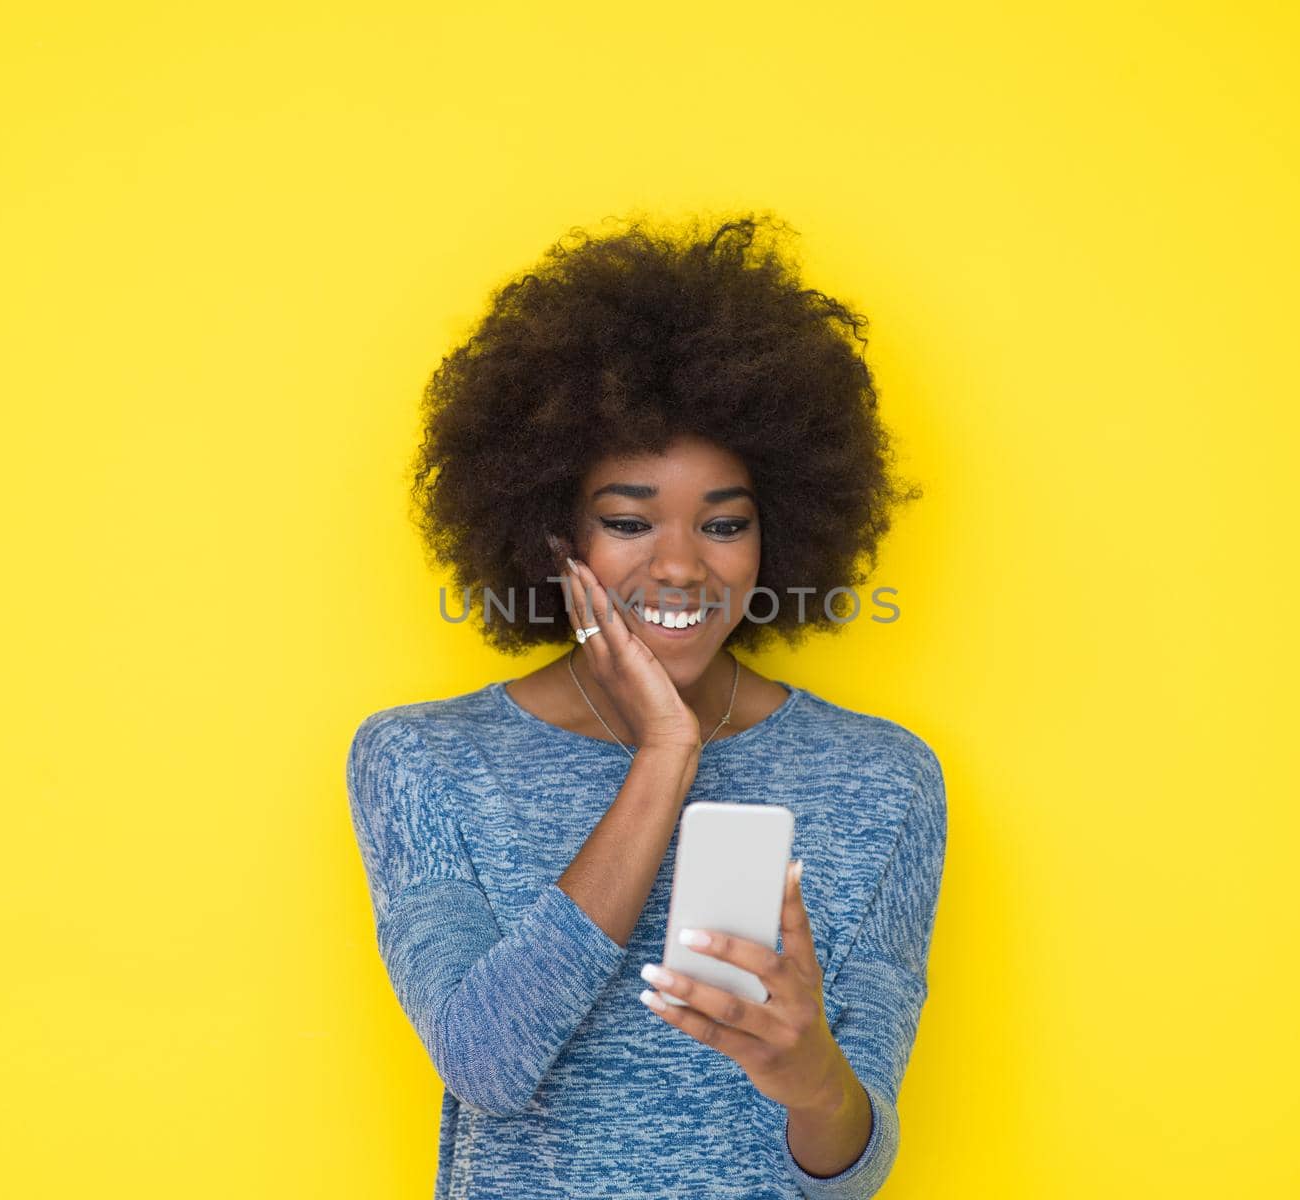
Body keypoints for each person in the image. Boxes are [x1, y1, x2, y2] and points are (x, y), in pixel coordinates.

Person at [346, 213, 948, 1199]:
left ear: (778, 534)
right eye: (628, 521)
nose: (679, 565)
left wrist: (812, 1079)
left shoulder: (883, 779)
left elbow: (853, 1169)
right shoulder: (424, 762)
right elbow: (489, 1067)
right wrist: (664, 756)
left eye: (724, 523)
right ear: (553, 535)